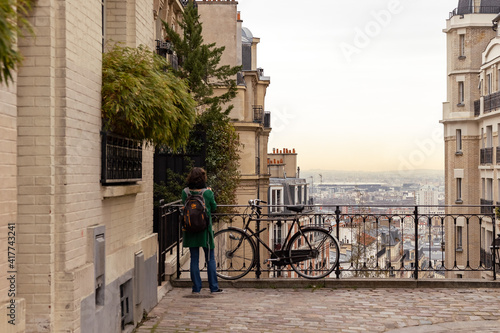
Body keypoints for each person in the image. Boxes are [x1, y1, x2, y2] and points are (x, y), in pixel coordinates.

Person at [181, 167, 223, 294]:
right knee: (210, 258)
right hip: (205, 229)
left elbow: (184, 206)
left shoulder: (185, 192)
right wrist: (211, 193)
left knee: (194, 258)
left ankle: (196, 287)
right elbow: (214, 207)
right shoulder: (207, 193)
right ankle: (213, 287)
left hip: (190, 229)